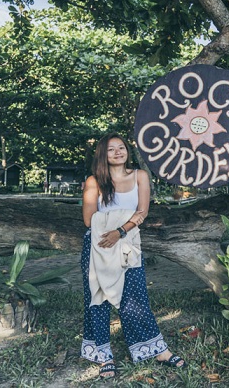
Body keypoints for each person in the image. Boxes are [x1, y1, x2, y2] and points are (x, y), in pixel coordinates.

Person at [81, 133, 186, 379]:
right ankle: (104, 355)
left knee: (135, 298)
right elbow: (88, 220)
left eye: (122, 147)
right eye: (111, 149)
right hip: (99, 245)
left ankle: (157, 350)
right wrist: (112, 229)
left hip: (127, 243)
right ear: (102, 155)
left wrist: (119, 230)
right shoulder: (94, 181)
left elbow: (142, 211)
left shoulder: (140, 176)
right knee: (98, 299)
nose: (118, 152)